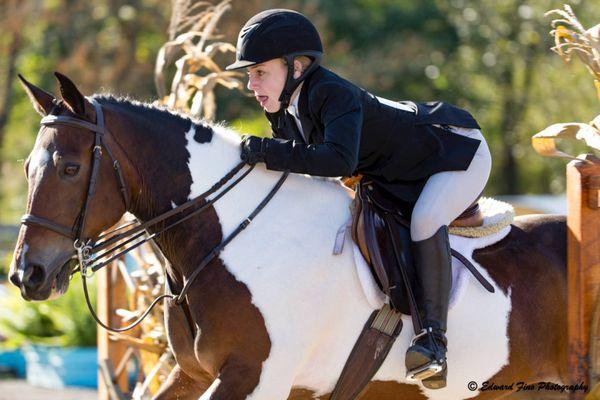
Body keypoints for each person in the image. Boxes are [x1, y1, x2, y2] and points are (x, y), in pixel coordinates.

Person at [226, 9, 492, 389]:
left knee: (425, 220)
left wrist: (267, 151)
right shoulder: (285, 108)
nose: (251, 84)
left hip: (455, 153)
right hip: (398, 170)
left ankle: (432, 341)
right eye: (249, 74)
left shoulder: (332, 93)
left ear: (297, 67)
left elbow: (337, 160)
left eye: (260, 72)